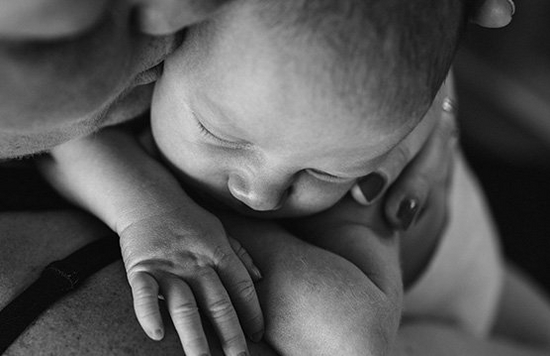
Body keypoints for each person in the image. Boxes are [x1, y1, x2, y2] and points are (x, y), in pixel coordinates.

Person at [34, 1, 544, 356]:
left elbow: (353, 341)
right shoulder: (191, 63)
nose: (259, 193)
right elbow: (60, 140)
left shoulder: (356, 181)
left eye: (323, 171)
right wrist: (153, 213)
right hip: (476, 265)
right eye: (220, 135)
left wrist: (198, 225)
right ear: (161, 56)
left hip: (446, 303)